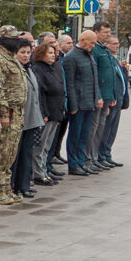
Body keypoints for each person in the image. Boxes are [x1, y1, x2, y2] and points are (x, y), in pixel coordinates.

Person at [0, 26, 27, 206]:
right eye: (13, 38)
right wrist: (4, 113)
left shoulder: (12, 59)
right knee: (2, 152)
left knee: (10, 152)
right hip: (7, 113)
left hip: (17, 112)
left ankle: (5, 187)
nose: (17, 41)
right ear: (3, 38)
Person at [63, 30, 102, 176]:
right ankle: (73, 164)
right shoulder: (71, 57)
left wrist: (97, 97)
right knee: (75, 135)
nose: (93, 45)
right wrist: (72, 105)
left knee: (84, 135)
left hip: (89, 103)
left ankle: (81, 162)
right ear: (83, 40)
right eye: (92, 42)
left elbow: (94, 79)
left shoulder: (89, 55)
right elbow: (70, 83)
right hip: (78, 104)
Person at [32, 43, 66, 185]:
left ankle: (44, 170)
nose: (53, 55)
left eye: (54, 52)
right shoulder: (38, 69)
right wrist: (44, 112)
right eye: (50, 53)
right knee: (40, 146)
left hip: (55, 111)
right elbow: (41, 93)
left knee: (47, 146)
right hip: (47, 113)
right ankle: (38, 173)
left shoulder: (51, 68)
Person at [12, 41, 42, 198]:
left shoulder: (29, 70)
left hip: (31, 118)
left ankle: (24, 186)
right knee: (15, 155)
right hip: (18, 119)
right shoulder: (14, 70)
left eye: (28, 52)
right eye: (22, 52)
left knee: (26, 154)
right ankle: (13, 186)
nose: (25, 55)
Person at [85, 22, 115, 172]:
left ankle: (95, 157)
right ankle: (88, 158)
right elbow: (95, 75)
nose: (108, 35)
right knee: (93, 129)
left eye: (109, 32)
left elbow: (109, 74)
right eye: (105, 32)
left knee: (100, 128)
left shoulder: (104, 49)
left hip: (106, 97)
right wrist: (99, 96)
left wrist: (111, 95)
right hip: (99, 97)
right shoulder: (95, 50)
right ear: (96, 32)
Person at [98, 35, 127, 167]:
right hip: (111, 101)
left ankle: (107, 154)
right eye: (114, 44)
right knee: (106, 129)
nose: (117, 46)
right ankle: (101, 155)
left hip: (118, 100)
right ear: (107, 45)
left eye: (118, 43)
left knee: (112, 130)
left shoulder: (114, 60)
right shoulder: (106, 59)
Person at [49, 33, 74, 166]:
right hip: (55, 104)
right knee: (52, 134)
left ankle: (56, 153)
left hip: (63, 101)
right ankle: (51, 157)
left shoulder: (62, 59)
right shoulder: (56, 60)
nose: (71, 45)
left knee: (61, 131)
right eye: (68, 43)